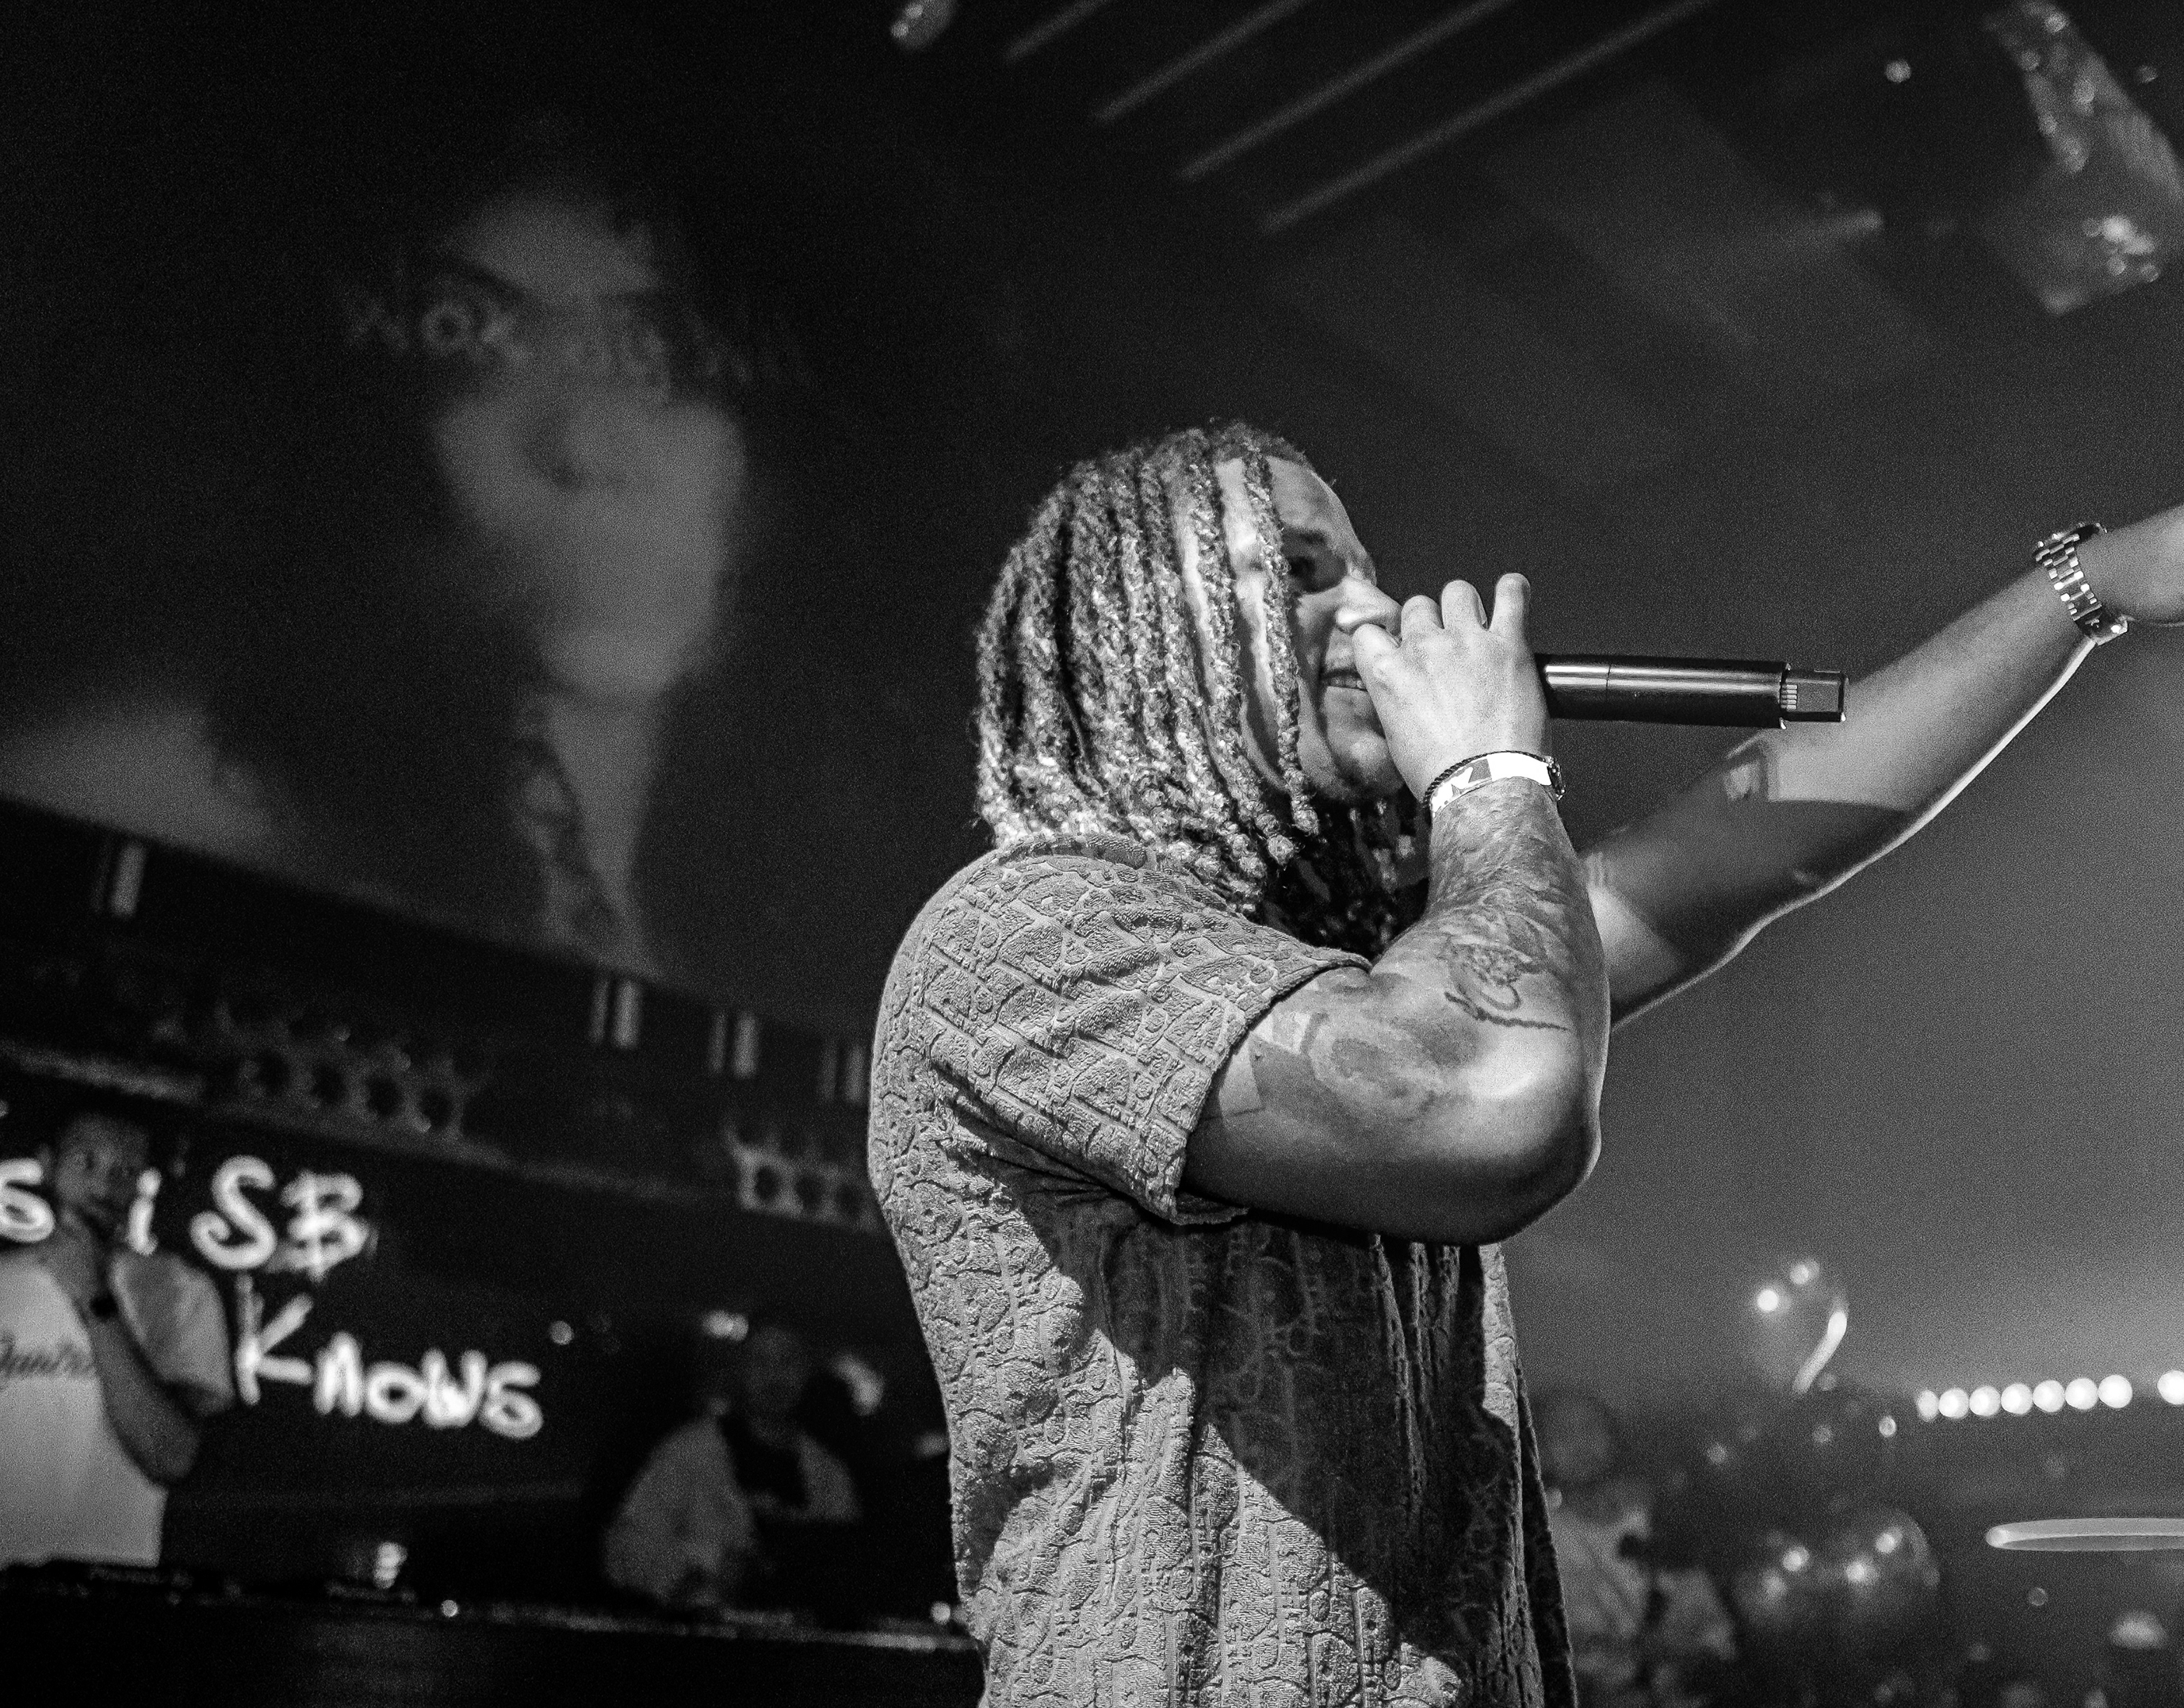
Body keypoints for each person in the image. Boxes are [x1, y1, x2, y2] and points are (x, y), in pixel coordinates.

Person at [867, 419, 2184, 1704]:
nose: (1379, 613)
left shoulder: (1367, 972)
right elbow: (1500, 1107)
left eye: (1367, 569)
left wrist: (2090, 589)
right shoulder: (1027, 934)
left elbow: (1741, 848)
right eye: (1305, 572)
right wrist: (1489, 770)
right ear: (1146, 633)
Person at [0, 101, 767, 978]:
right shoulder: (133, 804)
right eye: (471, 348)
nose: (583, 443)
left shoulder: (801, 913)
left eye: (651, 355)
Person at [0, 1107, 233, 1567]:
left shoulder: (180, 1290)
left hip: (110, 1585)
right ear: (48, 1165)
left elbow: (170, 1456)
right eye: (86, 1161)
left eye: (125, 1171)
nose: (105, 1185)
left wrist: (94, 1297)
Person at [602, 1317, 859, 1613]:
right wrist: (703, 1571)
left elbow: (848, 1567)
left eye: (788, 1361)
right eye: (760, 1361)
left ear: (806, 1371)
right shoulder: (691, 1452)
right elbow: (627, 1544)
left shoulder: (829, 1474)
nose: (774, 1375)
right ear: (740, 1369)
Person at [1534, 1390, 1733, 1707]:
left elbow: (1712, 1623)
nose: (1580, 1443)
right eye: (1562, 1434)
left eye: (1589, 1427)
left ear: (1611, 1436)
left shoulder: (1659, 1516)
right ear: (1541, 1451)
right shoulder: (1545, 1544)